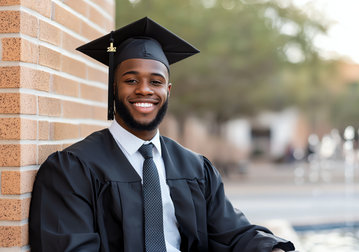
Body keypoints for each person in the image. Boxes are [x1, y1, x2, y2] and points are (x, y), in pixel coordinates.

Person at [29, 17, 296, 252]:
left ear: (169, 91)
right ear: (113, 88)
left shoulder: (195, 168)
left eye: (155, 82)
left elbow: (231, 233)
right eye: (131, 80)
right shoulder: (72, 170)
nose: (145, 90)